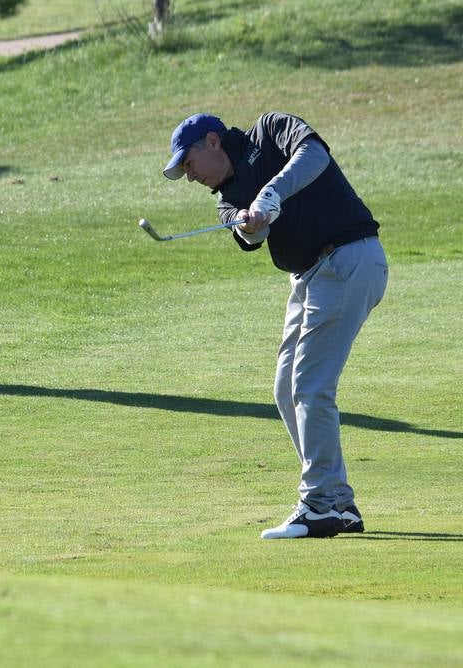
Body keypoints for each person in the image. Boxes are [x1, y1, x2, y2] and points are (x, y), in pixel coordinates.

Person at [161, 111, 388, 539]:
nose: (189, 176)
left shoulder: (271, 130)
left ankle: (318, 503)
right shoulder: (227, 199)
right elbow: (250, 235)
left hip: (347, 257)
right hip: (308, 277)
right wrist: (253, 224)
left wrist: (271, 195)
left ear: (212, 141)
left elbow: (314, 154)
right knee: (287, 388)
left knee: (310, 385)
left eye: (188, 163)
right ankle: (339, 502)